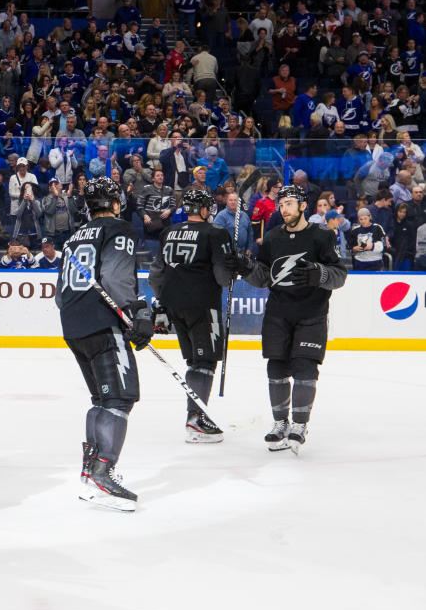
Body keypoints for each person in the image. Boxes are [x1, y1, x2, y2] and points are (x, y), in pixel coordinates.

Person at [56, 177, 154, 511]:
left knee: (101, 398)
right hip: (103, 322)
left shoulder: (72, 237)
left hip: (73, 324)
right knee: (120, 397)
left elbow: (60, 293)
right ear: (115, 203)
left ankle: (89, 472)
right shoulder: (119, 228)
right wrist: (133, 314)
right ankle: (103, 472)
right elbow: (115, 276)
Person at [234, 184, 348, 453]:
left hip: (312, 314)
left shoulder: (322, 236)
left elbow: (339, 275)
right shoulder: (272, 237)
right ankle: (280, 423)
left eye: (289, 204)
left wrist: (318, 274)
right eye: (280, 204)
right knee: (276, 369)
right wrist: (246, 268)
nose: (283, 209)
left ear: (303, 206)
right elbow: (263, 277)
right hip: (278, 313)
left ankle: (299, 424)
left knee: (306, 368)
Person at [148, 188, 238, 443]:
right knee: (206, 362)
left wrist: (165, 300)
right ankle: (196, 419)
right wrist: (233, 267)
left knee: (194, 362)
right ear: (205, 209)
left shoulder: (169, 232)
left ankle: (195, 415)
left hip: (174, 306)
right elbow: (222, 277)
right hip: (203, 305)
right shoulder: (216, 233)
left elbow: (156, 274)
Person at [345, 207, 387, 272]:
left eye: (365, 218)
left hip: (375, 263)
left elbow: (384, 245)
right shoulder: (355, 230)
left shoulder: (377, 228)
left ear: (370, 217)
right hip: (359, 263)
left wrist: (372, 246)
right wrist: (353, 249)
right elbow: (349, 246)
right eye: (361, 219)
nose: (363, 221)